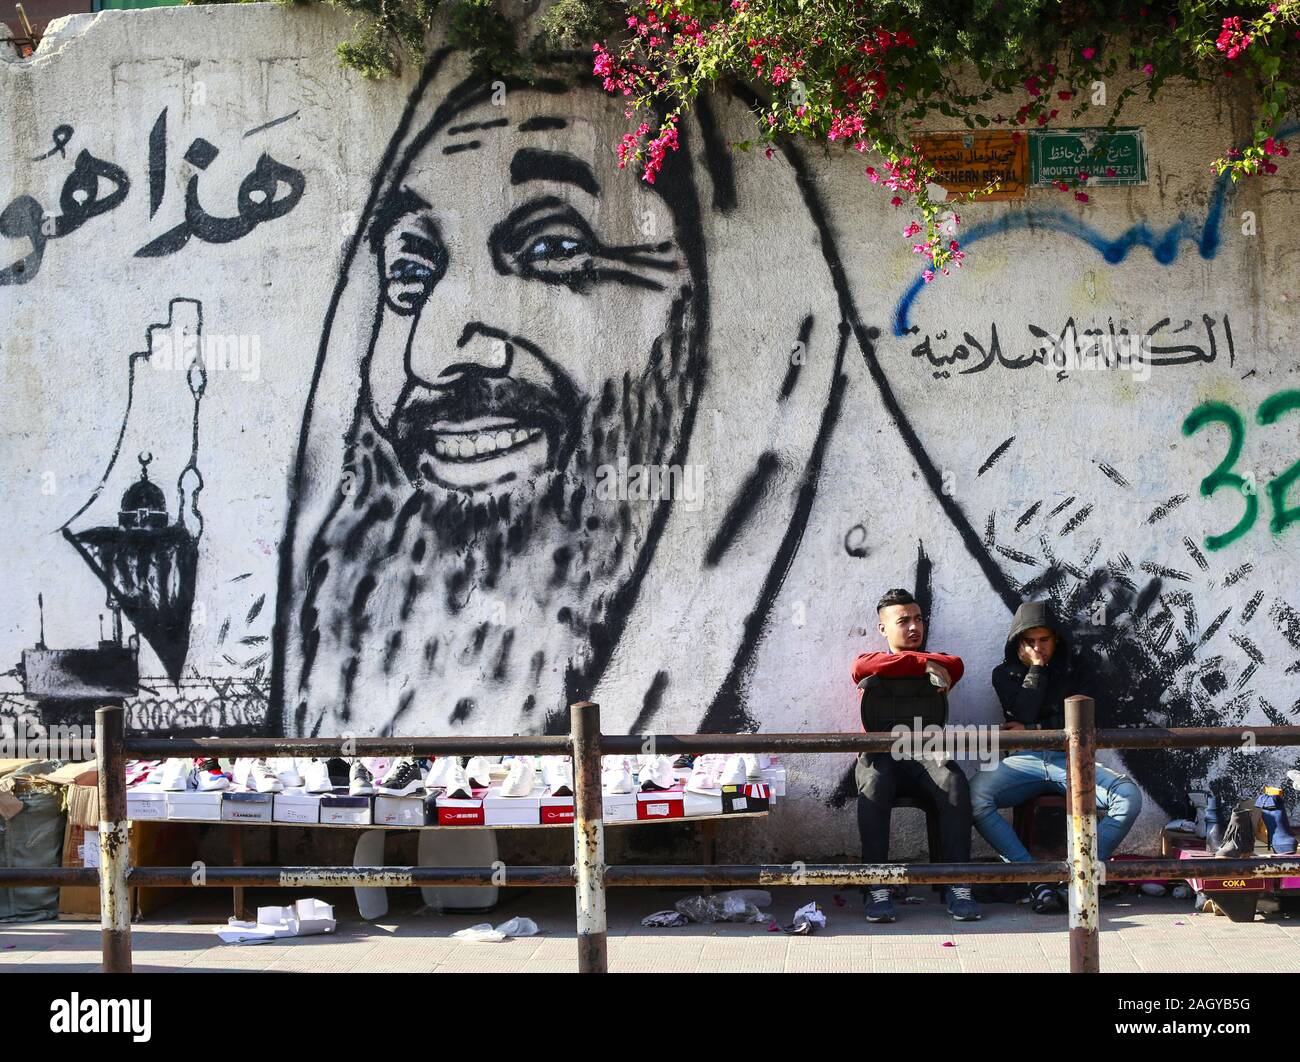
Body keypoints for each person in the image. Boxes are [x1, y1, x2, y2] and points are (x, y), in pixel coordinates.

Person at [970, 600, 1143, 913]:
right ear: (1017, 643)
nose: (1038, 648)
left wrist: (1034, 726)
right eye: (1029, 641)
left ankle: (1075, 874)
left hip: (1071, 757)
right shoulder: (1004, 674)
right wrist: (1036, 669)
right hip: (1025, 760)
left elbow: (1088, 718)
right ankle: (1034, 878)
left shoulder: (1077, 669)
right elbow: (1022, 709)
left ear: (1057, 639)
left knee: (1128, 796)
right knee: (975, 796)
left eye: (1044, 640)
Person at [851, 588, 981, 923]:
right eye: (903, 620)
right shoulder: (872, 662)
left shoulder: (940, 661)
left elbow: (956, 664)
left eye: (918, 619)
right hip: (880, 754)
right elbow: (860, 667)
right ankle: (876, 887)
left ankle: (957, 884)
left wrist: (932, 666)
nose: (914, 627)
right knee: (874, 788)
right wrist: (923, 665)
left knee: (953, 781)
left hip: (926, 752)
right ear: (883, 629)